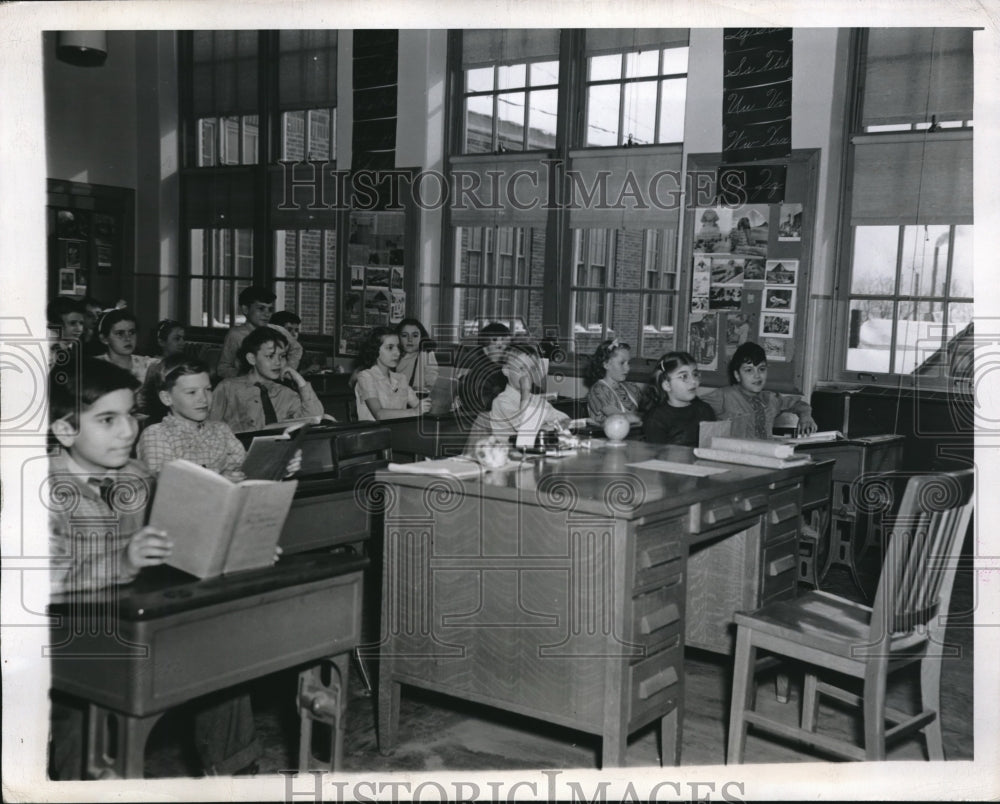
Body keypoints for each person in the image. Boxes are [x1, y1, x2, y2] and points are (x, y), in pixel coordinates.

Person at [47, 359, 261, 778]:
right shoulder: (39, 488)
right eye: (108, 419)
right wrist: (122, 561)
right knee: (86, 713)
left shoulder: (134, 475)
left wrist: (235, 544)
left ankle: (236, 777)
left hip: (132, 620)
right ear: (65, 430)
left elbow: (169, 543)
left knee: (224, 661)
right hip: (63, 639)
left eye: (129, 415)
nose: (128, 430)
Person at [137, 355, 248, 478]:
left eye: (208, 389)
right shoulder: (156, 434)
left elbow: (243, 464)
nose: (204, 399)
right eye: (192, 392)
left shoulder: (222, 430)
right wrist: (219, 475)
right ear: (167, 398)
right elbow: (165, 482)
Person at [209, 326, 325, 433]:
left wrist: (300, 381)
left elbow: (314, 419)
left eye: (282, 356)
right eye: (270, 356)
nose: (278, 362)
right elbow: (208, 427)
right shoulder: (228, 388)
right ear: (252, 359)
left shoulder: (286, 394)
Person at [701, 341, 818, 439]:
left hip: (768, 456)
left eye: (761, 369)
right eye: (749, 370)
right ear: (737, 375)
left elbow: (800, 404)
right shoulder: (724, 396)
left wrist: (805, 416)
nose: (757, 376)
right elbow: (694, 408)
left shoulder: (771, 399)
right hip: (736, 458)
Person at [216, 287, 303, 379]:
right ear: (245, 309)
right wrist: (247, 376)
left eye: (270, 309)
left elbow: (297, 349)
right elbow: (223, 369)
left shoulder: (278, 330)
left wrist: (288, 369)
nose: (267, 314)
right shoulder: (236, 335)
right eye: (261, 308)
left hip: (278, 384)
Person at [489, 342, 570, 437]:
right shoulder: (501, 402)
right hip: (507, 450)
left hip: (532, 448)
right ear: (506, 371)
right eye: (522, 368)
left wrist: (552, 424)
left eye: (531, 369)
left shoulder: (537, 400)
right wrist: (526, 391)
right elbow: (524, 425)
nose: (528, 374)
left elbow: (565, 419)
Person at [353, 326, 431, 421]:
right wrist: (414, 412)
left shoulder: (401, 378)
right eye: (390, 348)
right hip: (374, 433)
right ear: (375, 349)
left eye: (398, 347)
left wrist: (442, 404)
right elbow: (379, 414)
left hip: (398, 431)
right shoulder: (365, 377)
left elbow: (418, 405)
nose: (397, 353)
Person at [643, 351, 716, 447]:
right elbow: (656, 456)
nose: (694, 381)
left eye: (695, 374)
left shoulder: (705, 410)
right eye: (684, 376)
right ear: (667, 385)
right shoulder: (656, 418)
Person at [456, 321, 514, 419]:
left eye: (504, 341)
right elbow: (483, 404)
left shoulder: (507, 368)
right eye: (495, 341)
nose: (501, 346)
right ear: (485, 349)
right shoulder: (481, 373)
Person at [584, 338, 645, 427]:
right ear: (606, 364)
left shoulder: (632, 388)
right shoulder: (598, 391)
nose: (628, 368)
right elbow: (618, 418)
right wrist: (647, 416)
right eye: (622, 363)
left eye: (628, 363)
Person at [137, 319, 187, 415]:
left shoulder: (181, 364)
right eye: (177, 339)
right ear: (161, 342)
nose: (182, 343)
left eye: (183, 338)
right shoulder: (155, 365)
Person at [95, 308, 157, 383]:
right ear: (104, 339)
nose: (128, 338)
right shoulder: (93, 367)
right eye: (120, 333)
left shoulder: (150, 366)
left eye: (131, 332)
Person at [395, 317, 439, 396]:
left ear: (421, 337)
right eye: (404, 335)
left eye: (415, 335)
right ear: (398, 337)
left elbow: (432, 382)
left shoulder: (426, 354)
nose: (410, 340)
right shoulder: (393, 355)